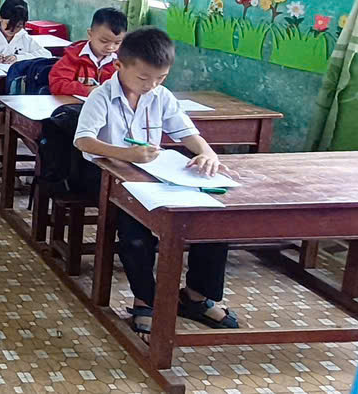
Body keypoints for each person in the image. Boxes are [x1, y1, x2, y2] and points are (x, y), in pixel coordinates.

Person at [71, 27, 237, 338]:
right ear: (119, 65)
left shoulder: (161, 96)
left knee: (214, 221)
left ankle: (196, 297)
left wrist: (207, 152)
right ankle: (145, 300)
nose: (151, 86)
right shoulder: (101, 96)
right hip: (110, 177)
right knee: (135, 232)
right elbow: (83, 141)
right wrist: (126, 154)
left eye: (160, 78)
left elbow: (187, 133)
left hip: (155, 177)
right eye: (143, 78)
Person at [49, 7, 127, 96]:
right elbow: (57, 84)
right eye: (104, 41)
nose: (110, 47)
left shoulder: (122, 61)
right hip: (76, 103)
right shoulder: (73, 57)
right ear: (90, 34)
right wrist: (88, 90)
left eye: (117, 43)